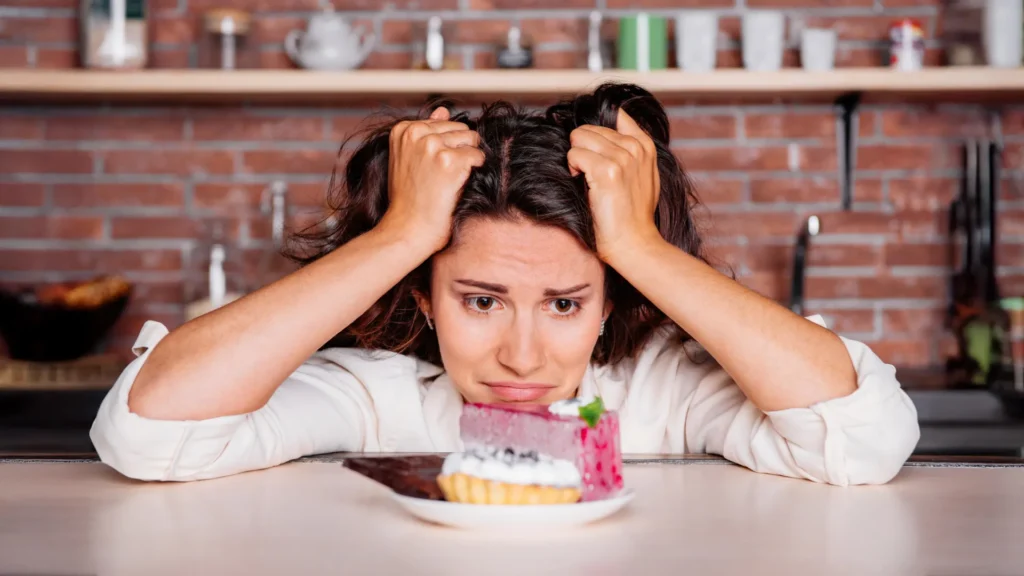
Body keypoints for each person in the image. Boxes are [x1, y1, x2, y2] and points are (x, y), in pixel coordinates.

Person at [90, 83, 919, 486]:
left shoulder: (670, 392)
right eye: (480, 300)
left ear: (609, 305)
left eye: (565, 304)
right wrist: (404, 234)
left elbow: (866, 436)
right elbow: (149, 432)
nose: (520, 357)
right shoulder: (384, 401)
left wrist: (641, 247)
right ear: (423, 294)